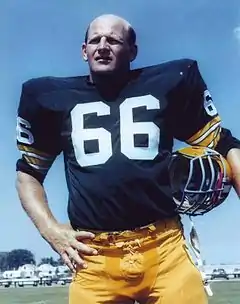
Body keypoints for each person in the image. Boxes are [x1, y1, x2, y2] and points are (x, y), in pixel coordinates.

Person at [15, 14, 240, 304]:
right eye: (95, 40)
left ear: (133, 51)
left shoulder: (169, 84)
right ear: (84, 51)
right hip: (94, 259)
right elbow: (28, 174)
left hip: (165, 250)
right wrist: (52, 231)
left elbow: (225, 145)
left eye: (114, 40)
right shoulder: (49, 98)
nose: (103, 45)